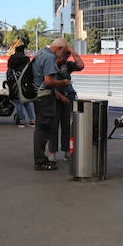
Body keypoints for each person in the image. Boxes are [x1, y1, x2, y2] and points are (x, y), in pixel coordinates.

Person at [32, 39, 72, 171]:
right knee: (43, 130)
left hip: (37, 96)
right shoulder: (49, 57)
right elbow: (48, 81)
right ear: (59, 48)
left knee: (40, 128)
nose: (62, 56)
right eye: (63, 52)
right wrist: (63, 83)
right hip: (45, 97)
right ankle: (40, 161)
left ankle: (40, 159)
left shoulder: (40, 53)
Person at [47, 46, 84, 161]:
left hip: (69, 98)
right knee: (54, 126)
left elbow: (81, 66)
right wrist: (60, 96)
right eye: (64, 56)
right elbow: (48, 84)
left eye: (67, 56)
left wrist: (73, 52)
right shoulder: (50, 64)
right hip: (55, 98)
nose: (66, 58)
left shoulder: (67, 65)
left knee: (67, 126)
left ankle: (67, 151)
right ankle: (52, 152)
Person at [8, 44, 35, 127]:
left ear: (16, 51)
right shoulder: (26, 59)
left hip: (15, 84)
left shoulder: (12, 59)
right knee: (27, 102)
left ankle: (22, 121)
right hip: (25, 84)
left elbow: (9, 71)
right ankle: (32, 120)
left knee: (18, 102)